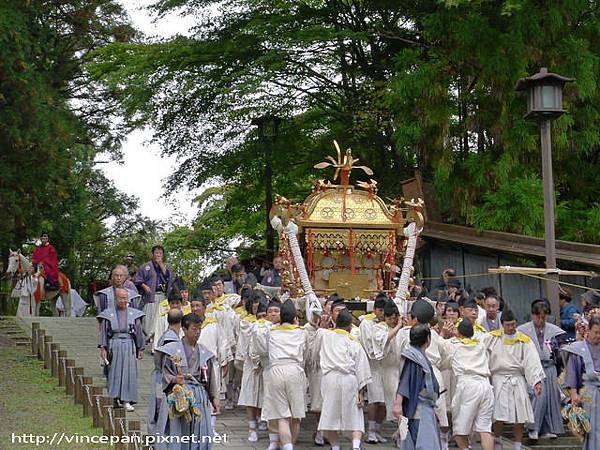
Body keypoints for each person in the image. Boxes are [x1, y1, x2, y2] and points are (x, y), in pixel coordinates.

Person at [154, 313, 220, 450]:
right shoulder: (172, 350)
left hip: (199, 394)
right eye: (194, 329)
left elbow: (210, 377)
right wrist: (174, 379)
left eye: (199, 329)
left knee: (200, 429)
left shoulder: (203, 351)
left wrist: (214, 397)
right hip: (180, 394)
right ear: (184, 329)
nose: (197, 333)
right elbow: (164, 372)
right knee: (180, 429)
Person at [485, 309, 545, 450]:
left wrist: (536, 381)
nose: (511, 328)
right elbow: (479, 353)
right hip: (499, 379)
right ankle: (497, 439)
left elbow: (532, 361)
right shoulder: (491, 338)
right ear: (502, 324)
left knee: (520, 415)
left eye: (513, 324)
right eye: (508, 325)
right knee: (497, 415)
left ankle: (518, 445)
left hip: (518, 379)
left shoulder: (525, 340)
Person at [253, 300, 307, 450]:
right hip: (295, 370)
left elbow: (259, 339)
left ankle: (287, 447)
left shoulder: (271, 331)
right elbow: (306, 351)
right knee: (296, 416)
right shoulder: (301, 332)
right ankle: (290, 445)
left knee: (282, 416)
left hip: (276, 370)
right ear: (295, 318)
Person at [315, 310, 371, 450]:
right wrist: (361, 392)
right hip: (349, 379)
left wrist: (323, 325)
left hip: (330, 379)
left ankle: (335, 446)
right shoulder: (354, 343)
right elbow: (362, 368)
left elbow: (318, 336)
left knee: (329, 413)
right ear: (350, 327)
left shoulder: (324, 335)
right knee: (355, 414)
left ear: (335, 323)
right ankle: (356, 445)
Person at [517, 299, 565, 440]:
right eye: (538, 316)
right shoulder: (523, 330)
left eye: (544, 316)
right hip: (533, 367)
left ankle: (547, 428)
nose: (541, 319)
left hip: (549, 367)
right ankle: (533, 427)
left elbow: (559, 353)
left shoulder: (554, 330)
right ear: (532, 315)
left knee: (551, 398)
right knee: (540, 396)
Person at [393, 324, 442, 450]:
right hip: (418, 407)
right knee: (423, 443)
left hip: (426, 405)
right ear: (428, 339)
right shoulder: (413, 357)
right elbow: (405, 381)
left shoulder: (418, 355)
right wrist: (398, 404)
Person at [449, 319, 495, 450]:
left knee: (459, 430)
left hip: (468, 385)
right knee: (485, 429)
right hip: (486, 386)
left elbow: (440, 344)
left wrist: (444, 333)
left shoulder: (454, 345)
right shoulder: (481, 344)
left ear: (459, 332)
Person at [97, 287, 145, 412]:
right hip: (114, 344)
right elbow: (103, 333)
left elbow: (139, 332)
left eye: (125, 298)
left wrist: (141, 348)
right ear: (115, 299)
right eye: (120, 298)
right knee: (114, 372)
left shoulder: (134, 314)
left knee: (129, 372)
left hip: (129, 344)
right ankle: (114, 398)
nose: (123, 300)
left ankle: (127, 400)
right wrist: (103, 348)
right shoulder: (108, 313)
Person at [563, 316, 600, 450]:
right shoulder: (577, 348)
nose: (598, 336)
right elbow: (572, 372)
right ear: (588, 330)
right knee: (592, 428)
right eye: (596, 332)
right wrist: (574, 394)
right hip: (588, 393)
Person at [358, 294, 388, 443]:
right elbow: (369, 346)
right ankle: (370, 431)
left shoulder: (388, 322)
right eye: (380, 310)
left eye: (385, 311)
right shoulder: (366, 323)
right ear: (375, 309)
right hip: (372, 365)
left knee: (386, 402)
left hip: (386, 367)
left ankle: (377, 429)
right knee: (375, 400)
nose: (383, 314)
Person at [148, 308, 183, 435]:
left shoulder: (165, 335)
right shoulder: (171, 340)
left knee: (156, 410)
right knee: (161, 411)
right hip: (165, 379)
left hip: (159, 376)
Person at [135, 245, 174, 344]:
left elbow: (169, 278)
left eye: (160, 253)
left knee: (160, 318)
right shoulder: (146, 266)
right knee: (148, 319)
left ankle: (156, 338)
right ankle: (147, 336)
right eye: (156, 253)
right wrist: (144, 286)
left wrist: (161, 265)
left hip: (163, 297)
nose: (158, 255)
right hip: (150, 296)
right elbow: (138, 280)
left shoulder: (166, 267)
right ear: (152, 254)